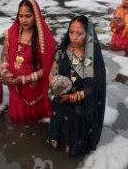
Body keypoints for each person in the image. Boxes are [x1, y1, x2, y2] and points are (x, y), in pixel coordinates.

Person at [48, 15, 106, 157]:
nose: (74, 37)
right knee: (58, 127)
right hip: (60, 98)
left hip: (79, 105)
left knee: (74, 140)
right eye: (71, 32)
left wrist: (73, 97)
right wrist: (54, 86)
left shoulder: (90, 58)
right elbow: (51, 71)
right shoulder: (62, 51)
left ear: (88, 34)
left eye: (79, 33)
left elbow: (93, 87)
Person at [1, 0, 56, 122]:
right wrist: (5, 72)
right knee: (17, 125)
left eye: (28, 16)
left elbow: (50, 68)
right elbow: (4, 54)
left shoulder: (44, 40)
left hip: (35, 96)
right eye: (20, 16)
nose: (24, 20)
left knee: (34, 127)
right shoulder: (12, 33)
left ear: (35, 17)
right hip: (16, 90)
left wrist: (25, 79)